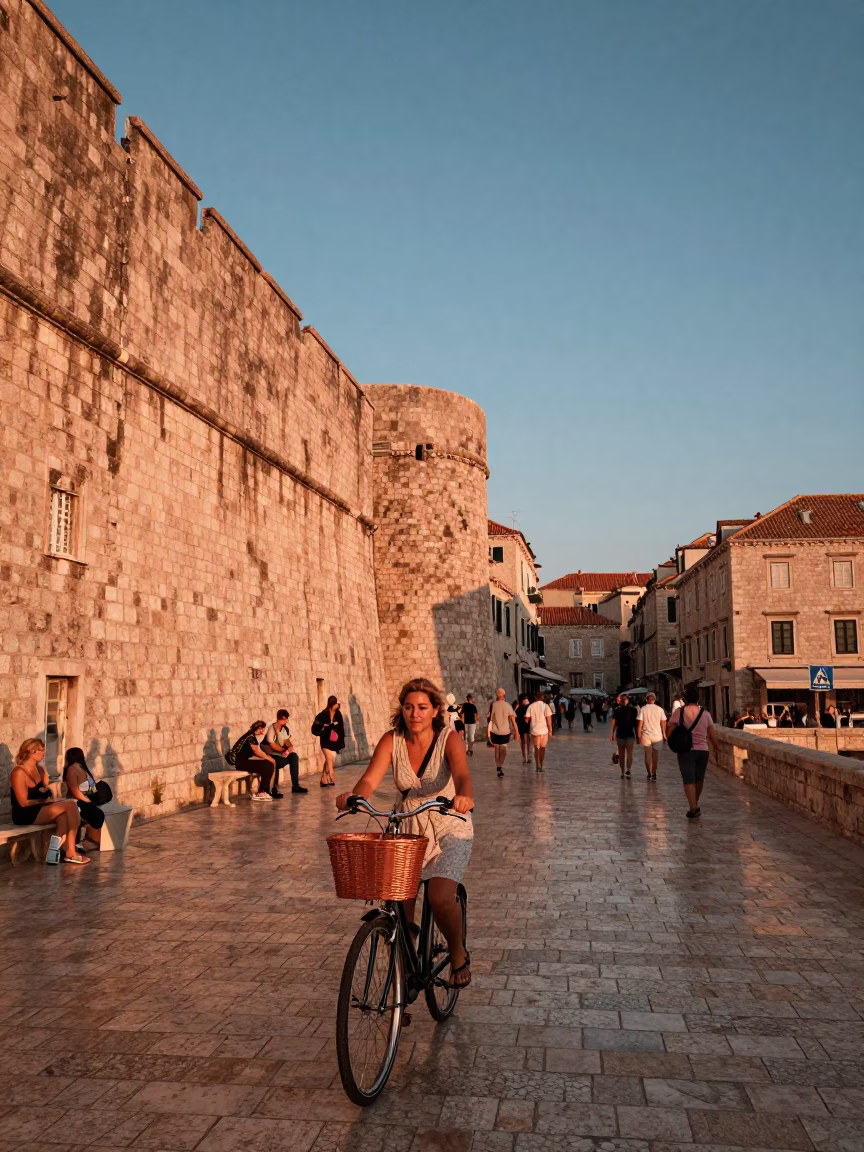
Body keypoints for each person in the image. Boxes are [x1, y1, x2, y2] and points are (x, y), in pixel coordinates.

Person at [336, 677, 474, 987]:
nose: (415, 713)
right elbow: (370, 780)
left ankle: (457, 953)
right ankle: (404, 979)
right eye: (409, 707)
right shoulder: (392, 739)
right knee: (400, 904)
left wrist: (464, 795)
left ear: (435, 709)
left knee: (439, 898)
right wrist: (355, 797)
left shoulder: (447, 739)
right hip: (407, 824)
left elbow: (463, 776)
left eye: (422, 707)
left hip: (448, 821)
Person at [10, 738, 88, 864]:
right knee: (70, 804)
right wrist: (46, 802)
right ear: (30, 752)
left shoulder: (40, 770)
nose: (43, 753)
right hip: (23, 813)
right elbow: (23, 803)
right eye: (40, 750)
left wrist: (46, 784)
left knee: (63, 817)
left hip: (39, 809)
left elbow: (45, 792)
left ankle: (52, 853)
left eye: (43, 750)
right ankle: (70, 851)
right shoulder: (19, 772)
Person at [667, 686, 719, 819]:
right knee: (699, 778)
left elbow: (670, 727)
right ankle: (694, 804)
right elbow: (712, 733)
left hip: (685, 750)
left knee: (688, 779)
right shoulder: (705, 714)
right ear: (698, 699)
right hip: (703, 750)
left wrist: (670, 740)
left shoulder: (679, 711)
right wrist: (716, 747)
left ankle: (693, 807)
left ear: (685, 698)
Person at [62, 746, 107, 849]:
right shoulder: (83, 769)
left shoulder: (72, 769)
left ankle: (79, 844)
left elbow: (75, 791)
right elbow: (90, 788)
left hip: (78, 801)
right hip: (84, 801)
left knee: (85, 819)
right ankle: (80, 843)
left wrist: (87, 801)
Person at [262, 709, 307, 796]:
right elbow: (272, 745)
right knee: (274, 763)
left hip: (280, 755)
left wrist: (290, 747)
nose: (286, 721)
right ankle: (272, 789)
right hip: (271, 756)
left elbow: (286, 740)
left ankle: (295, 786)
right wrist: (283, 750)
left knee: (294, 757)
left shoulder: (284, 729)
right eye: (285, 719)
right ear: (281, 719)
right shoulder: (271, 729)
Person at [232, 720, 277, 800]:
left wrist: (266, 758)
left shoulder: (249, 736)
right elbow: (256, 751)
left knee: (267, 764)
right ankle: (262, 791)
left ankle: (264, 790)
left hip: (243, 762)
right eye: (262, 729)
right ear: (259, 728)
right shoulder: (250, 737)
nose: (263, 732)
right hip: (242, 763)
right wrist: (268, 757)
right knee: (268, 765)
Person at [313, 696, 345, 787]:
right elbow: (316, 727)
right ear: (332, 704)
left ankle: (324, 778)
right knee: (329, 758)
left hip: (334, 741)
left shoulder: (338, 714)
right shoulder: (322, 715)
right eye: (335, 704)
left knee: (331, 758)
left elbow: (340, 727)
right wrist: (324, 728)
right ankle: (330, 773)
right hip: (325, 740)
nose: (337, 705)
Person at [487, 688, 518, 777]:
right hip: (505, 731)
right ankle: (500, 766)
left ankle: (498, 767)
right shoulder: (508, 705)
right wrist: (517, 731)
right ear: (504, 695)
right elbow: (513, 720)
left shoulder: (493, 705)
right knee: (503, 750)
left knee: (497, 749)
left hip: (495, 730)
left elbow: (489, 716)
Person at [636, 692, 667, 781]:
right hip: (657, 735)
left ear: (646, 699)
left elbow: (640, 724)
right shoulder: (659, 709)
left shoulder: (643, 709)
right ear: (654, 699)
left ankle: (649, 773)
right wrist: (664, 734)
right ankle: (654, 773)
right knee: (655, 755)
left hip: (646, 735)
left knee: (647, 754)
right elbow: (663, 723)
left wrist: (638, 736)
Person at [610, 693, 638, 778]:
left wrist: (612, 733)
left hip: (621, 733)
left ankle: (623, 772)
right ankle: (627, 770)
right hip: (629, 733)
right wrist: (638, 735)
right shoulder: (633, 710)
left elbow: (613, 724)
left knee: (622, 754)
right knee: (629, 753)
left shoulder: (617, 710)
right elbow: (636, 724)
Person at [526, 691, 554, 771]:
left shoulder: (531, 706)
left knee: (536, 747)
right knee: (542, 748)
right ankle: (541, 765)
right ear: (542, 698)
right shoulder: (546, 706)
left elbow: (527, 718)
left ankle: (537, 765)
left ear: (535, 697)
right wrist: (550, 730)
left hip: (534, 729)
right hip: (544, 730)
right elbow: (549, 719)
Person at [514, 693, 532, 763]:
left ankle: (527, 755)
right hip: (523, 726)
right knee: (525, 742)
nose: (526, 701)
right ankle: (526, 755)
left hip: (525, 726)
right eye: (525, 700)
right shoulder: (520, 709)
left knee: (526, 742)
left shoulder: (521, 708)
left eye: (526, 700)